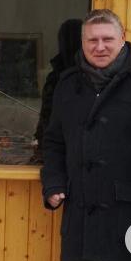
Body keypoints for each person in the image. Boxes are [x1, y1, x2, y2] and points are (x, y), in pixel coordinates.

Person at [41, 9, 131, 261]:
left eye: (107, 39)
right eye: (92, 40)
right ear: (82, 42)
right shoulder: (67, 86)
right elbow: (54, 141)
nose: (100, 47)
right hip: (81, 219)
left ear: (122, 38)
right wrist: (53, 182)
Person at [32, 18, 83, 164]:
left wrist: (41, 141)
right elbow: (47, 114)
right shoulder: (58, 75)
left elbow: (47, 115)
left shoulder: (58, 76)